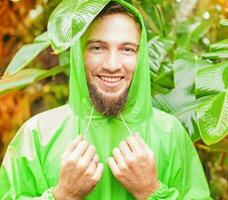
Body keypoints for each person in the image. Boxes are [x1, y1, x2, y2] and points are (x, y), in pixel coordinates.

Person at [0, 0, 211, 199]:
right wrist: (63, 194)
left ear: (142, 56)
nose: (112, 64)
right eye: (97, 48)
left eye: (127, 49)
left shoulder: (171, 133)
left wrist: (151, 191)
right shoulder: (36, 135)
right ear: (78, 55)